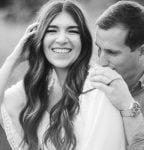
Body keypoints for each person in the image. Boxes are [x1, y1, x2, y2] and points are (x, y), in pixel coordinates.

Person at [0, 0, 125, 150]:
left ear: (83, 40)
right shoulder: (36, 87)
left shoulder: (100, 86)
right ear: (39, 39)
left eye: (72, 31)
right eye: (52, 31)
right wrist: (13, 59)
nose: (61, 40)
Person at [89, 1, 144, 150]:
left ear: (143, 52)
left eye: (112, 52)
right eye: (99, 49)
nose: (101, 62)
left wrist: (127, 104)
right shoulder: (90, 83)